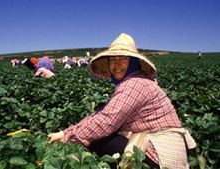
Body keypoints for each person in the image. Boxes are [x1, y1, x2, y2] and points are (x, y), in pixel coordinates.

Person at [48, 33, 196, 169]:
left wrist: (67, 140)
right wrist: (64, 132)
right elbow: (102, 114)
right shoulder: (134, 80)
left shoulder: (135, 84)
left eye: (123, 59)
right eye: (112, 59)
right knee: (99, 126)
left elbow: (105, 121)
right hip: (156, 145)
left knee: (98, 139)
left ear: (134, 62)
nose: (116, 64)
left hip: (163, 157)